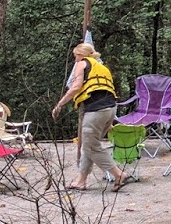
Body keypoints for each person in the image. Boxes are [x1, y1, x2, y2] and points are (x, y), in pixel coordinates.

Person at [53, 42, 129, 193]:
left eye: (76, 56)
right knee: (89, 145)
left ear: (82, 55)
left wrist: (60, 104)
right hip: (111, 109)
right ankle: (81, 180)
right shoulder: (101, 67)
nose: (75, 60)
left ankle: (118, 174)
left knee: (91, 146)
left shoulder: (82, 63)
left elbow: (75, 87)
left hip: (96, 111)